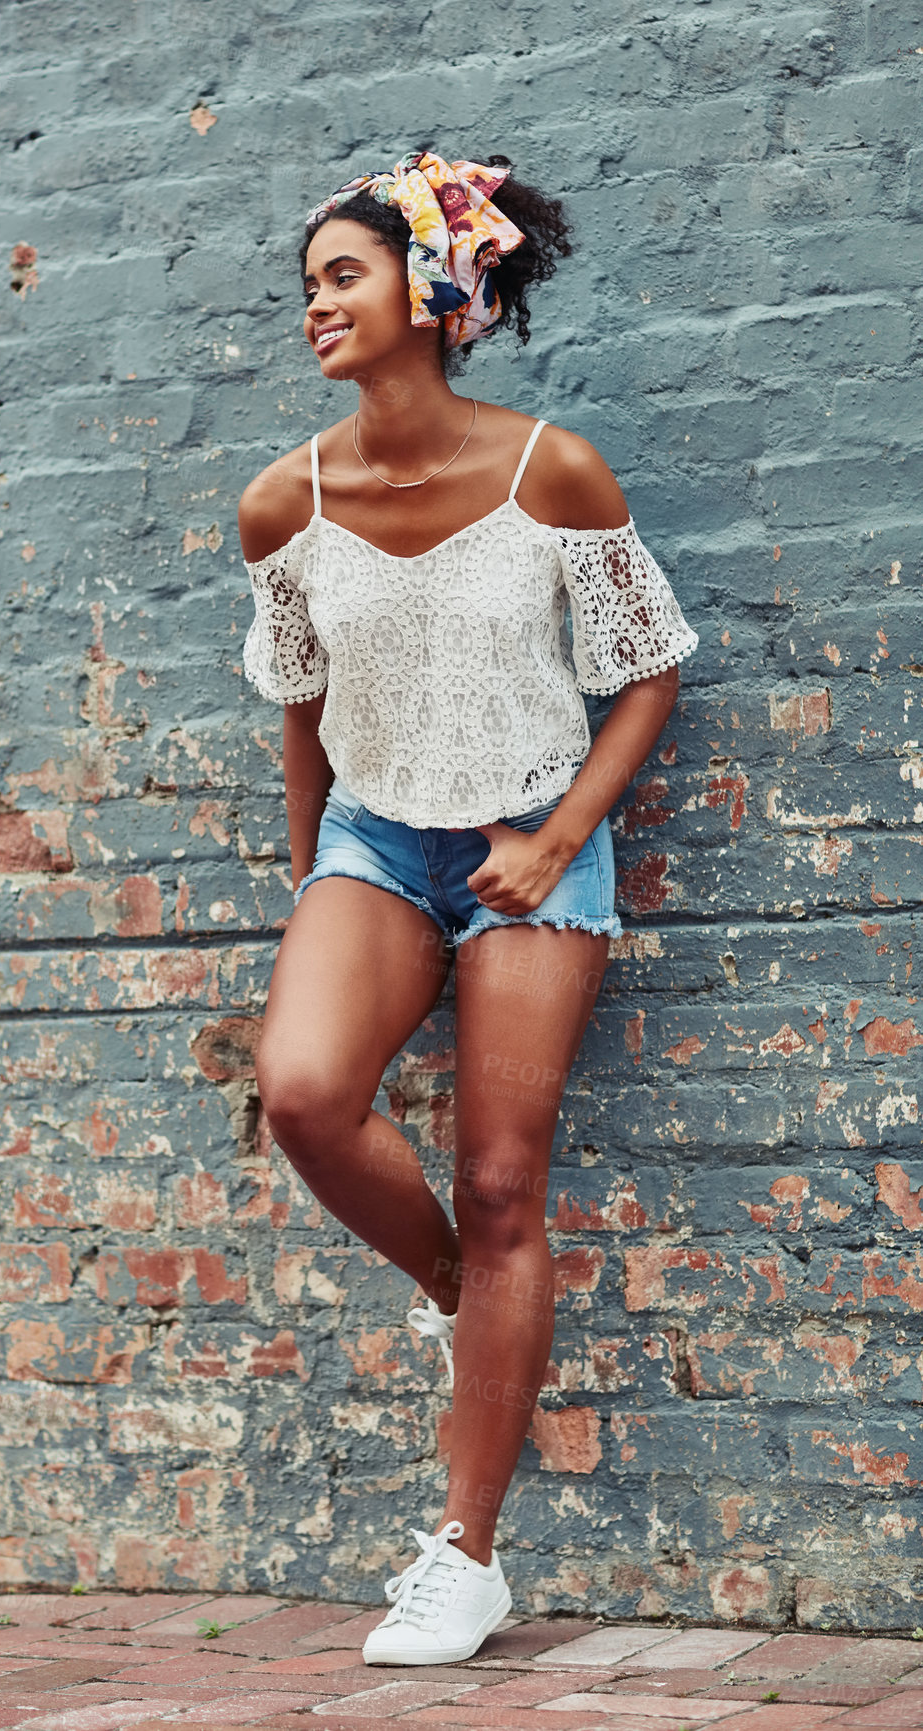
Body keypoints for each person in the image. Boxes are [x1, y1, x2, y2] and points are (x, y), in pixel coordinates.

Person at [237, 149, 699, 1667]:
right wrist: (318, 879)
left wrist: (557, 831)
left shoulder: (545, 471)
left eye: (344, 275)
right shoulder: (280, 504)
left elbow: (647, 670)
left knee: (505, 1185)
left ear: (434, 295)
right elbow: (301, 713)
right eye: (306, 281)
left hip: (528, 835)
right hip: (374, 841)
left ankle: (466, 1555)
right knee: (304, 1096)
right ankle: (454, 1286)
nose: (315, 302)